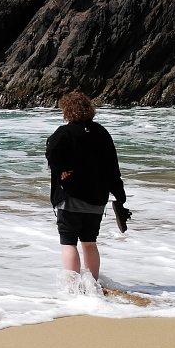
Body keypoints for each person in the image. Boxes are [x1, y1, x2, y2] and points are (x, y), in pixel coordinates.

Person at [45, 92, 130, 290]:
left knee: (69, 243)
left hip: (71, 195)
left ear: (67, 110)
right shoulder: (102, 133)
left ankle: (73, 289)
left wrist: (63, 171)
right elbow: (113, 167)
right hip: (97, 198)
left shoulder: (64, 133)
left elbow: (51, 153)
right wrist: (119, 196)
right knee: (89, 243)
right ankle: (93, 286)